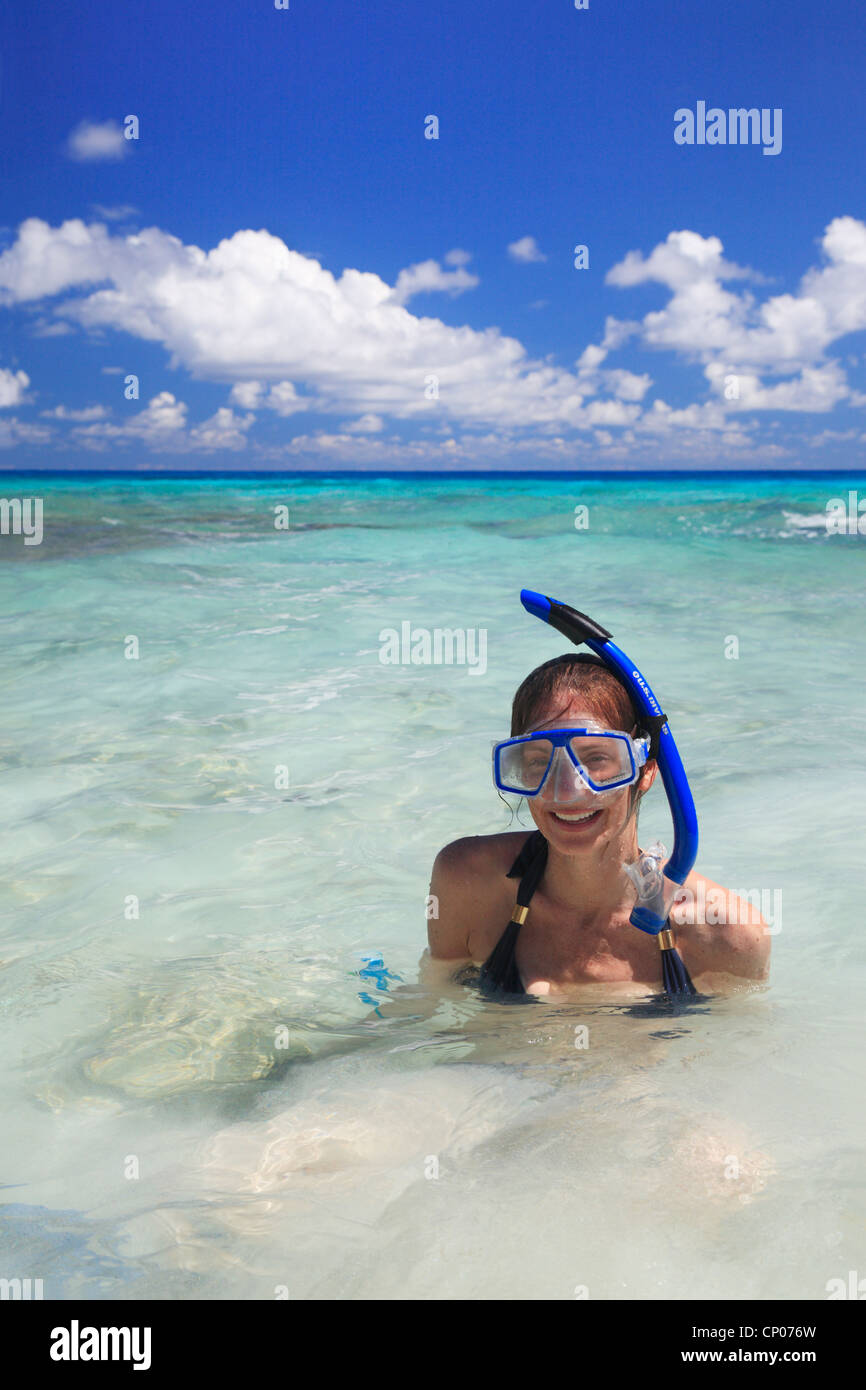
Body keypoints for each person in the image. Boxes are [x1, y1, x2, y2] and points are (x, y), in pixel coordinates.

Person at [427, 650, 771, 999]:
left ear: (647, 769)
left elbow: (738, 1049)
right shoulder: (468, 883)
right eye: (538, 761)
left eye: (596, 758)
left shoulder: (725, 933)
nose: (566, 790)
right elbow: (430, 1015)